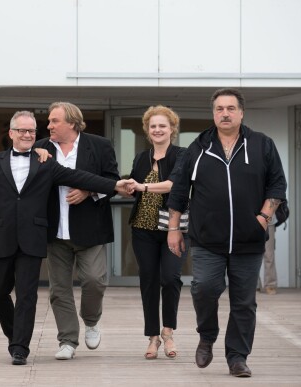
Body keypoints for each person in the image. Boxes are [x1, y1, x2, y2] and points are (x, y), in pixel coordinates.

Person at [0, 111, 127, 366]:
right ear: (11, 133)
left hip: (33, 237)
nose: (28, 135)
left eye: (32, 131)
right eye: (22, 130)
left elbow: (80, 177)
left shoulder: (46, 163)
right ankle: (15, 334)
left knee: (27, 295)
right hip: (1, 235)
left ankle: (20, 348)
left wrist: (115, 185)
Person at [167, 88, 287, 377]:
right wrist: (174, 228)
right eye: (219, 108)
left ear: (241, 112)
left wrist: (263, 216)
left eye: (231, 108)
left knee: (244, 301)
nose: (225, 113)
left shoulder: (262, 145)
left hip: (249, 239)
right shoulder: (198, 147)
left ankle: (237, 357)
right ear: (213, 113)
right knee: (204, 287)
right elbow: (180, 190)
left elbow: (277, 185)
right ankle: (207, 335)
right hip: (208, 238)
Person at [34, 102, 120, 360]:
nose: (48, 126)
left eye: (54, 121)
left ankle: (91, 321)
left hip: (90, 229)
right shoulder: (41, 148)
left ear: (71, 123)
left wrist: (88, 191)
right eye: (49, 121)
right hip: (54, 231)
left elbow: (112, 181)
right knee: (59, 289)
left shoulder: (100, 145)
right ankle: (67, 340)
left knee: (95, 281)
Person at [121, 106, 189, 359]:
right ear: (147, 131)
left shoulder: (183, 155)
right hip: (142, 229)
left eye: (162, 125)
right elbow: (135, 187)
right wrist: (127, 187)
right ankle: (153, 337)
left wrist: (142, 186)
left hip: (173, 229)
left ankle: (168, 331)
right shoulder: (141, 157)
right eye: (153, 126)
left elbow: (174, 184)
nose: (158, 130)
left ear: (172, 128)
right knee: (148, 281)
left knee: (170, 278)